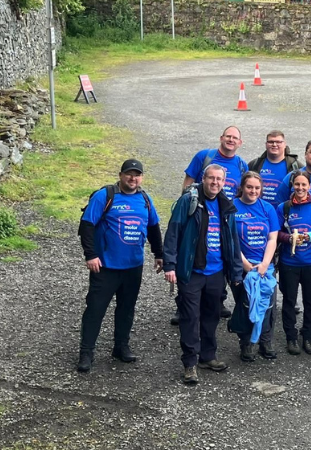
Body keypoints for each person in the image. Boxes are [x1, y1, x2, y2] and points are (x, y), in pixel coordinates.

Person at [77, 159, 162, 373]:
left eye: (137, 175)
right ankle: (86, 352)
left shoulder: (145, 199)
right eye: (129, 174)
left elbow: (153, 227)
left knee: (126, 309)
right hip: (105, 267)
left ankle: (121, 347)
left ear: (142, 178)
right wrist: (91, 255)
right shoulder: (105, 196)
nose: (133, 178)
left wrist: (159, 254)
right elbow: (87, 225)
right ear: (121, 175)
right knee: (95, 310)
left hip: (133, 266)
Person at [163, 164, 244, 385]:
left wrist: (236, 272)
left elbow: (233, 240)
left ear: (224, 182)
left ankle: (208, 357)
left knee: (212, 316)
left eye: (219, 179)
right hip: (192, 271)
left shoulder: (226, 205)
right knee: (190, 317)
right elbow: (173, 232)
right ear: (203, 179)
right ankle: (190, 363)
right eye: (211, 178)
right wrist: (170, 265)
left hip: (216, 271)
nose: (215, 183)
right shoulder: (188, 201)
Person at [176, 126, 249, 323]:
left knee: (218, 256)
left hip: (223, 218)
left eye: (235, 138)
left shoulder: (242, 165)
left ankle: (217, 301)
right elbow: (188, 182)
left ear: (240, 143)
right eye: (228, 136)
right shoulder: (204, 157)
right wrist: (187, 208)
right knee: (192, 256)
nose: (231, 140)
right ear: (221, 138)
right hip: (199, 213)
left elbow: (242, 193)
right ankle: (183, 304)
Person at [277, 171, 311, 355]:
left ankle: (308, 336)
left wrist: (310, 236)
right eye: (297, 184)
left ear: (309, 186)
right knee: (289, 301)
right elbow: (276, 234)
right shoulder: (284, 208)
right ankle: (291, 337)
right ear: (292, 185)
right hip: (289, 263)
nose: (300, 188)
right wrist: (289, 238)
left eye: (303, 185)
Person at [231, 172, 280, 361]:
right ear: (242, 187)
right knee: (245, 304)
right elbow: (231, 240)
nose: (253, 191)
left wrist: (265, 263)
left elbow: (272, 238)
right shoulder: (232, 207)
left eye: (257, 188)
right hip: (241, 266)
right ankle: (246, 343)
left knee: (268, 305)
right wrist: (246, 265)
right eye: (249, 187)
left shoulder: (267, 208)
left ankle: (265, 341)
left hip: (265, 267)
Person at [248, 130, 303, 207]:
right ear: (266, 144)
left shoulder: (296, 166)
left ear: (284, 144)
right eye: (271, 142)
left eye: (278, 142)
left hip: (284, 211)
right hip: (259, 211)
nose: (274, 145)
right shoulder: (255, 164)